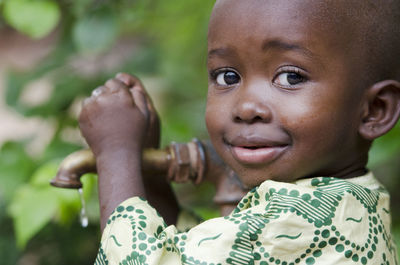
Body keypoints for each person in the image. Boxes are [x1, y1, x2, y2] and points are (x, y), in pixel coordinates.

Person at [79, 0, 400, 264]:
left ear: (375, 110)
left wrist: (116, 153)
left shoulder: (299, 217)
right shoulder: (350, 202)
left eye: (290, 77)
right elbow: (191, 253)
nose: (246, 108)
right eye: (227, 77)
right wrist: (147, 177)